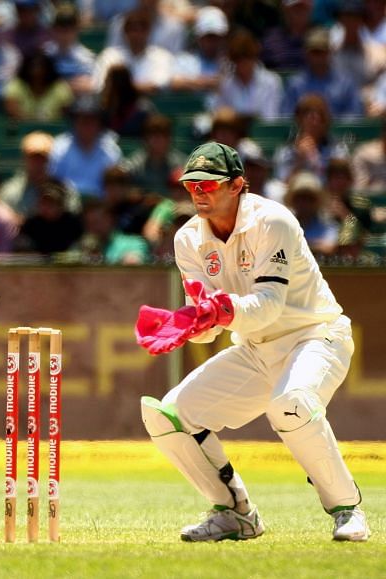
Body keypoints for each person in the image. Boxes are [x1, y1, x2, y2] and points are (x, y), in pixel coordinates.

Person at [135, 141, 370, 543]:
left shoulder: (272, 220)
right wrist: (191, 323)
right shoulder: (188, 240)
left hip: (315, 336)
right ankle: (234, 513)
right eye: (192, 185)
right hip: (255, 349)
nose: (199, 193)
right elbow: (211, 320)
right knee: (169, 414)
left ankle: (347, 509)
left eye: (209, 185)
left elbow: (268, 306)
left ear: (238, 184)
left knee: (290, 406)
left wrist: (220, 311)